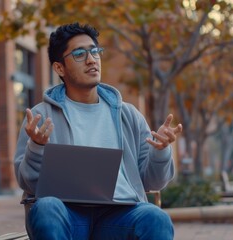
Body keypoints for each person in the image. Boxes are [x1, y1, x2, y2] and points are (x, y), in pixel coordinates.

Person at [14, 22, 182, 240]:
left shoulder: (128, 115)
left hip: (119, 215)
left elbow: (154, 182)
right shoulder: (40, 116)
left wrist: (160, 152)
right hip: (67, 214)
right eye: (79, 54)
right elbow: (27, 183)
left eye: (94, 51)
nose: (91, 59)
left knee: (156, 217)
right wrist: (36, 147)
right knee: (46, 208)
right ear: (59, 68)